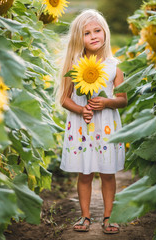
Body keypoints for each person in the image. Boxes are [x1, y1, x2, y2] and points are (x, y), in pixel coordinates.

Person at [56, 9, 127, 234]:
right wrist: (81, 109)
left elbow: (122, 100)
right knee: (84, 173)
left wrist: (106, 102)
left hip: (106, 126)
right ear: (79, 38)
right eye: (87, 33)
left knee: (107, 173)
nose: (94, 36)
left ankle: (108, 217)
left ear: (105, 33)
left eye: (98, 31)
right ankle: (85, 216)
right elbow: (64, 99)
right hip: (82, 128)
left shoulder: (114, 66)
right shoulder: (74, 66)